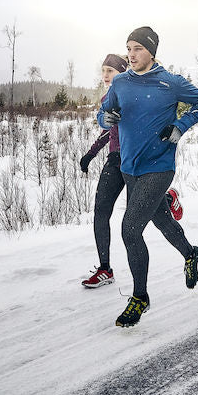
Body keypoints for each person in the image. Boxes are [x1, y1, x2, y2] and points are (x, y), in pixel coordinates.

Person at [97, 26, 198, 327]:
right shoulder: (120, 82)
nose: (131, 54)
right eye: (129, 48)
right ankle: (190, 253)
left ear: (151, 51)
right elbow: (103, 112)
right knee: (161, 220)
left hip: (159, 166)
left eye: (138, 48)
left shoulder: (169, 82)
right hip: (129, 166)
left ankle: (140, 297)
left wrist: (180, 127)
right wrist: (104, 118)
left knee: (131, 229)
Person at [79, 53, 184, 290]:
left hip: (138, 163)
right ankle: (105, 268)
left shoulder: (134, 95)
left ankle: (167, 198)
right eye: (104, 71)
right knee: (101, 211)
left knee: (148, 218)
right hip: (115, 162)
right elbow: (108, 130)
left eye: (111, 71)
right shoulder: (110, 97)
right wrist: (91, 154)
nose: (106, 76)